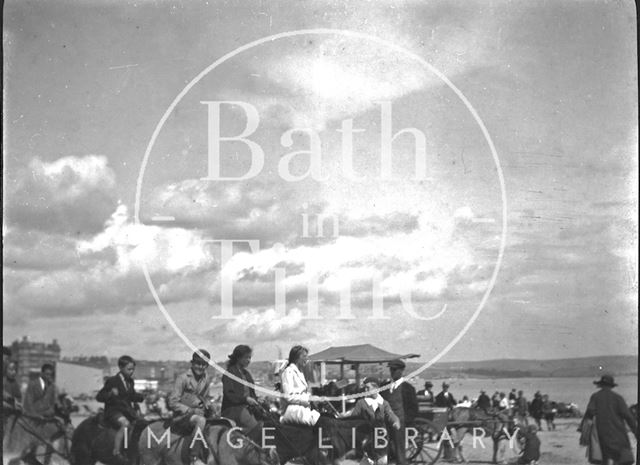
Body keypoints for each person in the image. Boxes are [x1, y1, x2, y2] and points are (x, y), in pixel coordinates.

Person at [167, 350, 214, 465]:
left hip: (199, 413)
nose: (201, 367)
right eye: (198, 363)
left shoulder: (206, 379)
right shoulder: (182, 378)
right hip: (182, 417)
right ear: (192, 363)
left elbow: (205, 397)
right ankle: (193, 457)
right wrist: (191, 410)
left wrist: (208, 404)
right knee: (201, 421)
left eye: (204, 364)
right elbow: (172, 402)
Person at [96, 356, 144, 461]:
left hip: (127, 411)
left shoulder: (130, 381)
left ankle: (134, 450)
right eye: (129, 369)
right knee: (125, 424)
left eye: (133, 369)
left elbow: (130, 396)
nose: (131, 372)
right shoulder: (112, 381)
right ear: (121, 368)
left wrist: (141, 397)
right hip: (113, 412)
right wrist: (110, 394)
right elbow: (99, 397)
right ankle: (117, 451)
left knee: (141, 425)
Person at [582, 374, 637, 465]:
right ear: (611, 386)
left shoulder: (595, 396)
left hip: (601, 434)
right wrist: (636, 432)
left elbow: (590, 413)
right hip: (618, 433)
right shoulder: (618, 398)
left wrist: (584, 433)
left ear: (601, 385)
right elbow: (628, 417)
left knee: (604, 459)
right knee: (621, 459)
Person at [221, 345, 261, 440]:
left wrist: (257, 400)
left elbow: (252, 394)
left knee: (267, 420)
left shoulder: (247, 374)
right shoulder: (229, 373)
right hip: (233, 409)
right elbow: (229, 395)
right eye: (246, 357)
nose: (248, 360)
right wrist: (246, 399)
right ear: (238, 358)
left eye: (250, 358)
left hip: (247, 408)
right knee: (253, 426)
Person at [380, 359, 412, 465]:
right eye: (391, 369)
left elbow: (412, 407)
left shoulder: (408, 388)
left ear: (401, 371)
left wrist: (406, 422)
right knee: (384, 447)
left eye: (394, 369)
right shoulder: (384, 387)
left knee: (399, 448)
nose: (392, 372)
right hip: (385, 422)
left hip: (399, 422)